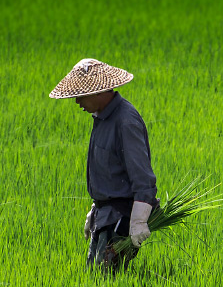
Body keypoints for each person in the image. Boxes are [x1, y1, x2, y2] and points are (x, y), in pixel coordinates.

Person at [49, 58, 158, 271]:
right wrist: (96, 208)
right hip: (104, 217)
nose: (77, 101)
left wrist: (138, 222)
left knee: (109, 284)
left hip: (119, 222)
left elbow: (143, 178)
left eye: (80, 95)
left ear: (99, 91)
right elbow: (111, 173)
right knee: (96, 281)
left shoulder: (125, 121)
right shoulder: (102, 118)